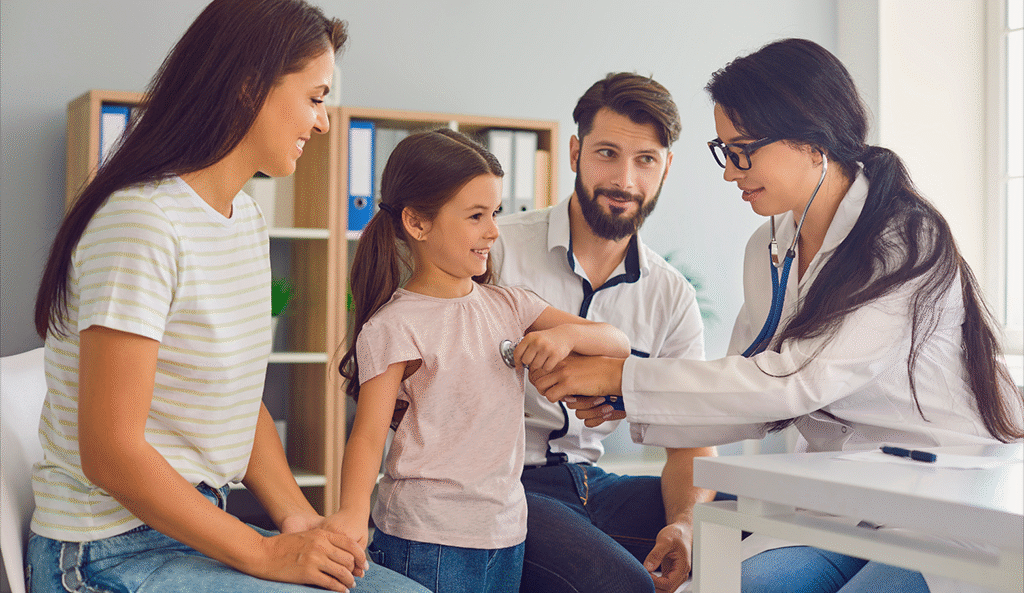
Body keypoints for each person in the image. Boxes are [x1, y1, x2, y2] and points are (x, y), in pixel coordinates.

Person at [532, 39, 1024, 593]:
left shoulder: (904, 239)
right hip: (841, 501)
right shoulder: (769, 246)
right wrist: (619, 398)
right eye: (725, 150)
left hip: (945, 502)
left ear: (812, 139)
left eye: (743, 150)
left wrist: (623, 376)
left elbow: (795, 382)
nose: (729, 173)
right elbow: (749, 395)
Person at [27, 1, 429, 592]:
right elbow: (111, 454)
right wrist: (264, 555)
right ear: (248, 88)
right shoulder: (143, 223)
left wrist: (298, 521)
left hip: (195, 531)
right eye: (315, 97)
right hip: (104, 553)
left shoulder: (242, 217)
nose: (323, 124)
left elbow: (240, 406)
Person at [333, 129, 630, 593]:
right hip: (426, 537)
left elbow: (616, 343)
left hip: (505, 532)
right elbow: (368, 435)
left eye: (495, 213)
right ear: (416, 222)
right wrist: (351, 518)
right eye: (476, 216)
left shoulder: (510, 306)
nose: (493, 230)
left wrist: (566, 334)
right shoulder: (394, 326)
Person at [489, 72, 722, 593]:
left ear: (666, 168)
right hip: (508, 485)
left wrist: (684, 525)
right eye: (607, 154)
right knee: (623, 585)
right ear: (574, 152)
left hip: (593, 485)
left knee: (735, 523)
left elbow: (691, 442)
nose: (624, 180)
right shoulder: (497, 249)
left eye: (646, 160)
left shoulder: (672, 295)